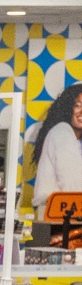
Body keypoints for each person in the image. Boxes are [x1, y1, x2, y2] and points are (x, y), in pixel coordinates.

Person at [33, 85, 82, 213]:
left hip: (63, 211)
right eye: (77, 106)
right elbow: (72, 182)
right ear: (67, 108)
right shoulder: (62, 131)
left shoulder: (75, 139)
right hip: (59, 213)